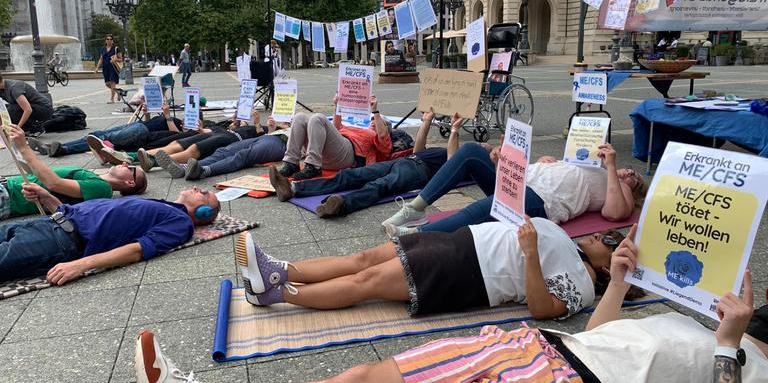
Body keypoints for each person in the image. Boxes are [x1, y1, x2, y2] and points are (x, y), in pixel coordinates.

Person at [135, 229, 768, 382]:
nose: (606, 240)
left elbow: (549, 306)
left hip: (558, 375)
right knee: (361, 375)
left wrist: (729, 346)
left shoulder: (745, 361)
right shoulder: (692, 320)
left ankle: (281, 286)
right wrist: (620, 287)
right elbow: (600, 337)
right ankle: (276, 282)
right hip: (543, 350)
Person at [235, 215, 639, 322]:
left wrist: (531, 253)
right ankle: (279, 270)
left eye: (609, 243)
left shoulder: (585, 284)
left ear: (609, 270)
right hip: (463, 243)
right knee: (363, 260)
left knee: (366, 282)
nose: (600, 237)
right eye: (608, 235)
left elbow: (541, 308)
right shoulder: (571, 245)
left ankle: (276, 292)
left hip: (470, 270)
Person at [382, 142, 646, 238]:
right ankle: (415, 209)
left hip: (543, 201)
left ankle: (418, 235)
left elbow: (614, 213)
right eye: (629, 170)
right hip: (521, 183)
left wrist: (612, 168)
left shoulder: (617, 186)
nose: (630, 172)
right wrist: (504, 164)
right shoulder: (591, 166)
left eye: (634, 178)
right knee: (471, 151)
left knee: (479, 210)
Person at [270, 111, 480, 218]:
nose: (483, 145)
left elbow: (452, 165)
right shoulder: (450, 152)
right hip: (405, 162)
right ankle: (294, 188)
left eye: (484, 148)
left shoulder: (465, 162)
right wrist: (426, 122)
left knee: (379, 186)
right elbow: (418, 151)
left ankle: (342, 205)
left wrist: (454, 132)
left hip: (417, 171)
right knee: (349, 177)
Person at [0, 184, 219, 283]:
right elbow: (72, 213)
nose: (202, 189)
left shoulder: (181, 223)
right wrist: (46, 197)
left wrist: (81, 264)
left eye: (206, 195)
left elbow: (138, 250)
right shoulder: (167, 207)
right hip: (47, 223)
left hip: (59, 240)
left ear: (204, 212)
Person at [0, 125, 147, 220]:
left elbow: (54, 184)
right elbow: (35, 173)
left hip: (9, 196)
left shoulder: (103, 188)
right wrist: (16, 146)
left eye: (130, 168)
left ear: (130, 182)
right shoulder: (94, 179)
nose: (125, 163)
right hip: (9, 189)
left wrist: (24, 148)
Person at [276, 94, 392, 180]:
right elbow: (337, 128)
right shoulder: (358, 129)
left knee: (318, 118)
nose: (373, 122)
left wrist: (376, 111)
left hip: (347, 156)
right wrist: (337, 105)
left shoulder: (377, 137)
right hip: (325, 154)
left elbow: (382, 135)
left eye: (380, 122)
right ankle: (292, 163)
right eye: (372, 120)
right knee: (299, 117)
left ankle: (313, 167)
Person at [136, 108, 270, 176]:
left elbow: (263, 139)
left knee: (194, 149)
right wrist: (203, 129)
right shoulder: (234, 123)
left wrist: (257, 124)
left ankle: (153, 161)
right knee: (177, 144)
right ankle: (137, 158)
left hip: (231, 138)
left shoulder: (261, 129)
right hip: (217, 131)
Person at [27, 103, 182, 157]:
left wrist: (168, 116)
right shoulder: (179, 120)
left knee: (100, 140)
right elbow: (157, 127)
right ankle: (60, 147)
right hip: (139, 127)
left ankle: (63, 149)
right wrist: (147, 114)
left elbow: (174, 136)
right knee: (96, 136)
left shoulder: (183, 128)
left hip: (139, 132)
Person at [162, 116, 289, 180]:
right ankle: (185, 168)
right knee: (224, 151)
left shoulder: (300, 129)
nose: (287, 122)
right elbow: (265, 133)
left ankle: (204, 170)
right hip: (269, 138)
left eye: (289, 122)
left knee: (243, 156)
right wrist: (273, 127)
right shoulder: (281, 128)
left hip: (281, 144)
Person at [94, 34, 122, 103]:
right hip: (105, 68)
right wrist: (97, 68)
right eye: (108, 39)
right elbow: (101, 59)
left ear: (112, 41)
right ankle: (118, 92)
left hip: (113, 68)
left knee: (112, 82)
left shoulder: (116, 48)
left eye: (110, 39)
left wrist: (115, 60)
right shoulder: (103, 49)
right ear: (105, 40)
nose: (109, 40)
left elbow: (121, 59)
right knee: (107, 84)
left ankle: (112, 99)